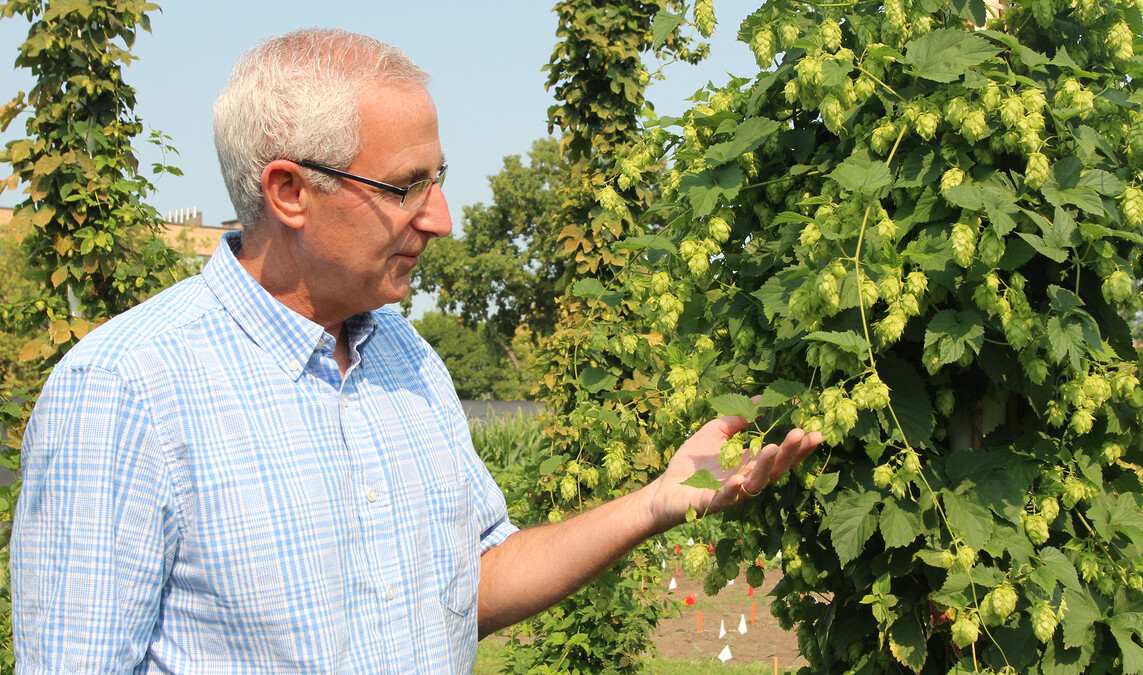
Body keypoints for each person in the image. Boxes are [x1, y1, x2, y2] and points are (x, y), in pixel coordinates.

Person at [10, 28, 822, 674]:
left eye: (439, 179)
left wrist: (654, 502)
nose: (441, 219)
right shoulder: (123, 390)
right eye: (406, 186)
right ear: (289, 191)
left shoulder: (404, 355)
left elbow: (473, 581)